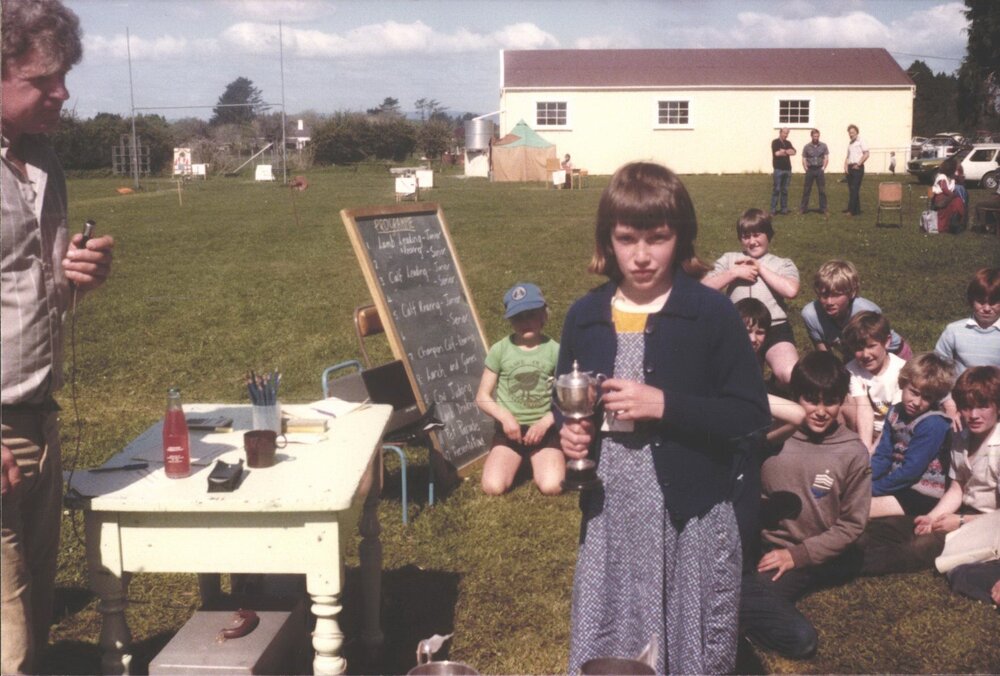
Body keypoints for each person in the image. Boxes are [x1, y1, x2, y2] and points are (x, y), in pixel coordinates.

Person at [558, 162, 770, 674]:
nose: (642, 255)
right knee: (615, 637)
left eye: (658, 238)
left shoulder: (709, 313)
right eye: (627, 238)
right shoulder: (585, 317)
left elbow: (750, 414)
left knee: (688, 641)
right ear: (608, 240)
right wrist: (571, 434)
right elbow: (564, 402)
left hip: (689, 515)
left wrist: (664, 405)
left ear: (682, 237)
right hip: (612, 513)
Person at [2, 1, 116, 672]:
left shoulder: (43, 160)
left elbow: (39, 294)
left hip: (41, 420)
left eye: (65, 73)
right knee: (9, 644)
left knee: (33, 626)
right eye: (42, 78)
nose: (63, 92)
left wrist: (80, 277)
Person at [739, 351, 870, 660]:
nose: (821, 411)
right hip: (757, 546)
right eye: (811, 400)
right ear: (795, 397)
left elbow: (852, 524)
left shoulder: (852, 452)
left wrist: (797, 555)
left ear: (842, 402)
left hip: (808, 554)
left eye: (831, 401)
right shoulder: (773, 436)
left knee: (800, 640)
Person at [476, 282, 563, 495]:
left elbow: (567, 399)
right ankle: (517, 459)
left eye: (531, 315)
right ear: (510, 320)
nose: (525, 322)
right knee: (493, 487)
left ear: (544, 315)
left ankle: (541, 459)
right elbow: (482, 396)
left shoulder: (555, 350)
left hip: (544, 430)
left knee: (552, 486)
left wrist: (545, 422)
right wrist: (505, 418)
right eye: (518, 317)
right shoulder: (500, 349)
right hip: (510, 431)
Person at [703, 208, 800, 384]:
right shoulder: (730, 259)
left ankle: (777, 387)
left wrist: (760, 268)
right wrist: (733, 273)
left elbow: (791, 291)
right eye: (746, 236)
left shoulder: (782, 263)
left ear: (768, 235)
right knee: (738, 380)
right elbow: (702, 288)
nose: (752, 241)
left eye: (757, 235)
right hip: (738, 328)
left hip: (774, 328)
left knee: (789, 374)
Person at [914, 366, 999, 535]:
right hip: (966, 513)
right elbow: (957, 488)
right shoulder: (961, 437)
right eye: (967, 407)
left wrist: (961, 522)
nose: (973, 415)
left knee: (919, 553)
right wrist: (932, 517)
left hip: (991, 526)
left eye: (983, 406)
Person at [868, 353, 955, 518]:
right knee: (852, 496)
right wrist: (864, 480)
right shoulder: (895, 412)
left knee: (859, 509)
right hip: (896, 482)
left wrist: (873, 489)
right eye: (913, 392)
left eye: (927, 397)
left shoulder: (933, 423)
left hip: (921, 492)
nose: (916, 402)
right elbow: (882, 455)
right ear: (903, 384)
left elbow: (911, 471)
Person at [800, 260, 911, 359]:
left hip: (891, 353)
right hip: (856, 355)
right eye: (824, 295)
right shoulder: (811, 314)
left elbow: (874, 351)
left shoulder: (866, 311)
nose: (829, 302)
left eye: (836, 295)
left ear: (851, 293)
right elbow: (823, 352)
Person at [841, 312, 906, 453]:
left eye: (871, 346)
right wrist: (866, 449)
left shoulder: (902, 370)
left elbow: (895, 415)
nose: (865, 355)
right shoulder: (852, 369)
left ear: (887, 341)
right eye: (858, 348)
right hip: (864, 427)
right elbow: (864, 409)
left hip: (893, 427)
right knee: (846, 402)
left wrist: (875, 449)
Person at [935, 267, 1000, 375]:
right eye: (981, 302)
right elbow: (939, 364)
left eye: (993, 302)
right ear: (971, 300)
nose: (987, 308)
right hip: (960, 390)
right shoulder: (954, 331)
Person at [931, 157, 966, 234]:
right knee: (956, 202)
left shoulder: (951, 177)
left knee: (958, 202)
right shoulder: (941, 176)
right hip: (941, 197)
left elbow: (961, 182)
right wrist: (953, 195)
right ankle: (945, 226)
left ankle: (956, 221)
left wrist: (959, 176)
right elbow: (944, 189)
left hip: (949, 197)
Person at [799, 128, 829, 215]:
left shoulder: (823, 146)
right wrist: (805, 168)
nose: (816, 137)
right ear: (811, 136)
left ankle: (823, 209)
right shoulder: (807, 147)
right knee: (806, 190)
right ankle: (803, 209)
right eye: (814, 136)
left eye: (817, 136)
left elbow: (826, 157)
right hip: (810, 170)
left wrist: (823, 168)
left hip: (819, 169)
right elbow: (804, 158)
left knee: (822, 190)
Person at [843, 124, 869, 216]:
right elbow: (848, 156)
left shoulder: (861, 141)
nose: (851, 134)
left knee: (854, 189)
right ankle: (857, 210)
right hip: (850, 168)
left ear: (857, 132)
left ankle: (851, 211)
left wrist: (858, 164)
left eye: (852, 133)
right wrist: (845, 166)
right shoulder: (850, 143)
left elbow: (866, 154)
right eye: (849, 133)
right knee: (852, 189)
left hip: (857, 168)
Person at [770, 127, 796, 215]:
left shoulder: (788, 143)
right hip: (778, 169)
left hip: (788, 169)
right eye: (785, 133)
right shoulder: (775, 142)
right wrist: (787, 151)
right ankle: (773, 209)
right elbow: (776, 153)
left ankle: (784, 209)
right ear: (780, 132)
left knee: (785, 190)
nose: (786, 135)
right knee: (776, 189)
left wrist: (783, 151)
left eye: (787, 133)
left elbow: (794, 152)